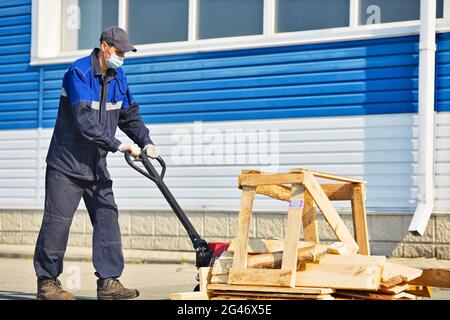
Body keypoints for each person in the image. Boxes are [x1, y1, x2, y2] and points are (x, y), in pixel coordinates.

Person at [33, 26, 159, 300]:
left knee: (107, 217)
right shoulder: (78, 73)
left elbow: (129, 115)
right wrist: (119, 145)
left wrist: (146, 141)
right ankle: (47, 283)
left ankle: (109, 283)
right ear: (104, 47)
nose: (121, 56)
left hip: (96, 165)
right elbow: (84, 123)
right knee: (57, 224)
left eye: (125, 52)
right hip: (66, 165)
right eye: (118, 51)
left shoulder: (118, 77)